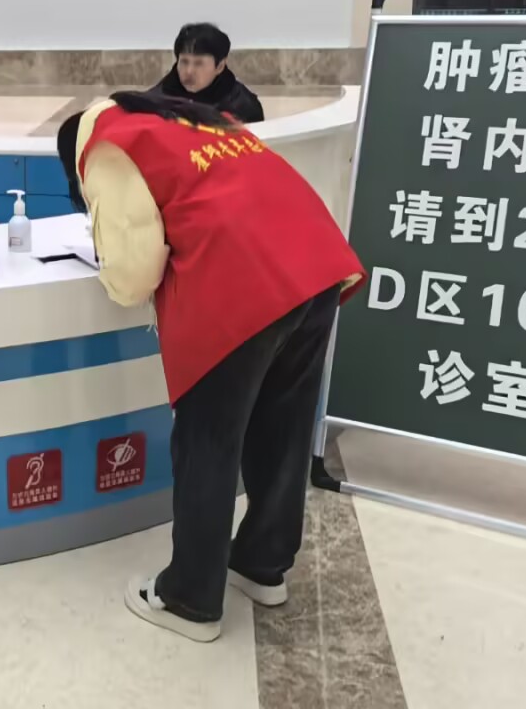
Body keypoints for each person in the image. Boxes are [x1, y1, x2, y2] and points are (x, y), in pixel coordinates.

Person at [56, 91, 364, 643]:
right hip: (313, 267)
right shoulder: (193, 119)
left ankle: (190, 598)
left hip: (240, 287)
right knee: (283, 430)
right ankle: (261, 566)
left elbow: (132, 274)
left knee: (207, 442)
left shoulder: (107, 143)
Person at [152, 22, 264, 123]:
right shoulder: (157, 101)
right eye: (184, 62)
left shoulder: (243, 107)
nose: (189, 71)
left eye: (199, 63)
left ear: (219, 67)